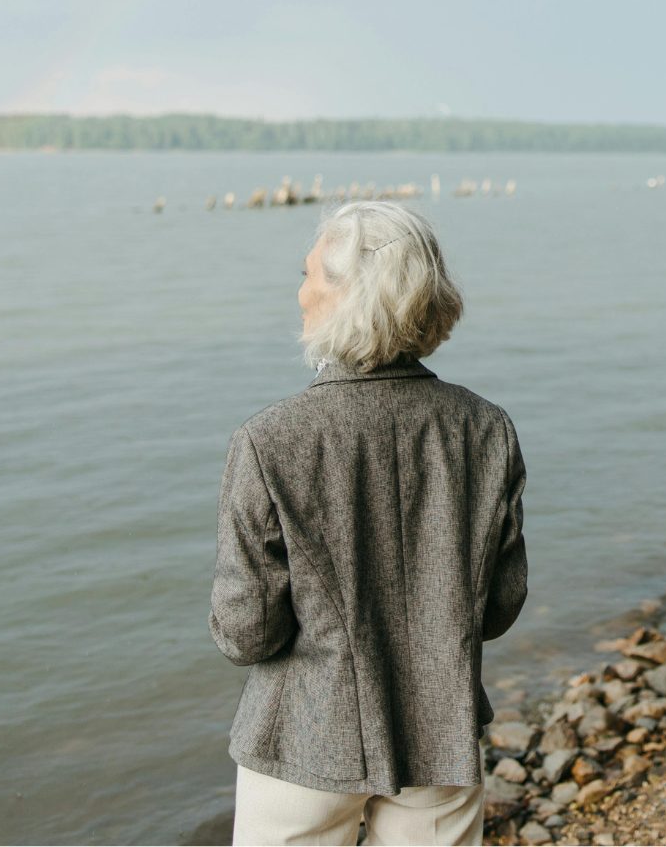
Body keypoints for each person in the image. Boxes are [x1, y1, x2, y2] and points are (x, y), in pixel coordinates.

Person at [210, 201, 526, 847]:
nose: (299, 294)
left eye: (309, 277)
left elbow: (246, 633)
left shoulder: (269, 442)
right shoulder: (487, 431)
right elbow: (497, 607)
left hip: (301, 741)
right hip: (439, 734)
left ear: (348, 299)